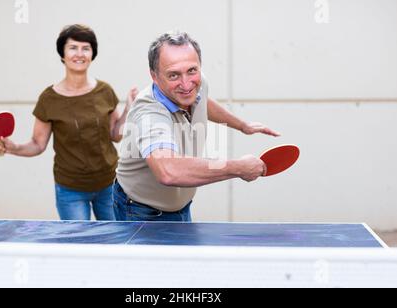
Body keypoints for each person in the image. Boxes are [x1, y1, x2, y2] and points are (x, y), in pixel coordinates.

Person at [114, 31, 280, 222]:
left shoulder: (196, 83)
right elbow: (168, 170)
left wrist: (243, 125)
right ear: (154, 76)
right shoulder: (149, 113)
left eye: (192, 70)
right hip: (141, 211)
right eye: (173, 75)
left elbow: (203, 101)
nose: (186, 84)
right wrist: (238, 167)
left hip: (181, 204)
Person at [0, 24, 138, 221]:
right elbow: (37, 144)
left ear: (92, 54)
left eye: (86, 48)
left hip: (109, 184)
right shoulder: (49, 98)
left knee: (115, 244)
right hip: (71, 190)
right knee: (78, 248)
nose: (80, 53)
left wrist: (129, 108)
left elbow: (116, 134)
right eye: (73, 47)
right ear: (62, 54)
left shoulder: (105, 91)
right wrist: (13, 147)